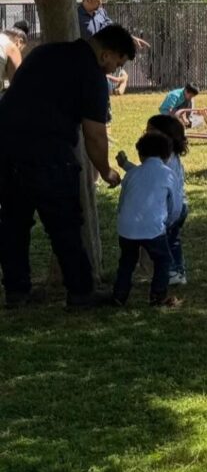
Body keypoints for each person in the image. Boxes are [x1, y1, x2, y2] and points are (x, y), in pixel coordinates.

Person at [0, 24, 135, 309]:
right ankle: (80, 291)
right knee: (65, 224)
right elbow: (95, 134)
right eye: (118, 62)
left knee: (13, 222)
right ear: (106, 54)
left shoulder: (44, 53)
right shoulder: (92, 76)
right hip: (49, 152)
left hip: (7, 146)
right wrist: (106, 170)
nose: (115, 69)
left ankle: (16, 291)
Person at [106, 132, 182, 307]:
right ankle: (158, 296)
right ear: (167, 155)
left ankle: (119, 295)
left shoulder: (132, 174)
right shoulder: (169, 174)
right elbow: (176, 206)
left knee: (127, 262)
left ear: (140, 154)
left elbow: (122, 201)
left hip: (127, 227)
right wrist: (169, 222)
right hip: (153, 227)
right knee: (162, 260)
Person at [118, 114, 190, 286]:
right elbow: (147, 173)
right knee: (173, 240)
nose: (146, 134)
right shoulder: (169, 157)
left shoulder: (166, 161)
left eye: (150, 130)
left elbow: (148, 175)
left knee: (166, 243)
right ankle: (178, 271)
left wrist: (126, 165)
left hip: (171, 208)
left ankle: (171, 271)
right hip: (177, 205)